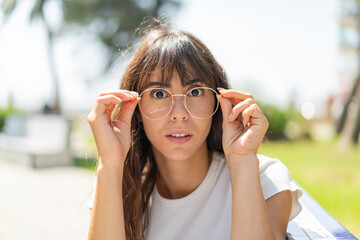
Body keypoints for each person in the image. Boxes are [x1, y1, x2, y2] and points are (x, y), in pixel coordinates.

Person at [87, 25, 302, 240]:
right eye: (160, 94)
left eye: (195, 92)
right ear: (134, 108)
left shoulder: (265, 179)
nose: (179, 114)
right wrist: (110, 162)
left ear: (218, 101)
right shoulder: (121, 186)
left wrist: (243, 160)